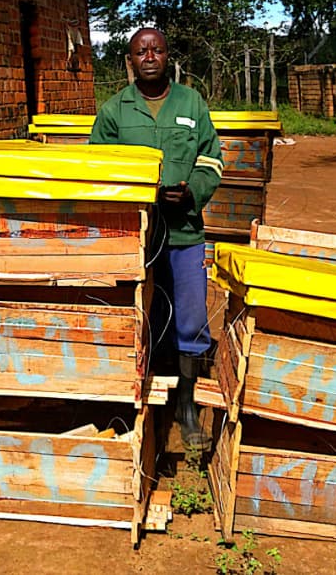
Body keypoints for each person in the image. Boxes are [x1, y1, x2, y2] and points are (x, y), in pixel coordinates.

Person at [90, 26, 223, 449]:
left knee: (188, 320)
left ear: (168, 57)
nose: (149, 56)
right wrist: (144, 195)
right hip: (134, 240)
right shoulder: (114, 111)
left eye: (157, 49)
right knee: (135, 320)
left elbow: (212, 160)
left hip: (184, 232)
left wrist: (191, 192)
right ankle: (131, 408)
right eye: (140, 51)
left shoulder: (191, 103)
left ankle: (185, 410)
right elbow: (99, 170)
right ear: (129, 61)